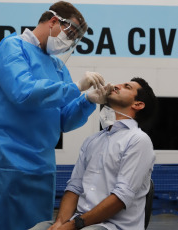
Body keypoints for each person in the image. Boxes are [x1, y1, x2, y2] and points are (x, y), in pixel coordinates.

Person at [0, 2, 112, 230]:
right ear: (53, 21)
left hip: (42, 168)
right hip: (6, 162)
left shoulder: (57, 66)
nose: (68, 42)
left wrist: (87, 100)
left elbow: (63, 120)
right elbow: (24, 92)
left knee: (37, 226)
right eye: (69, 34)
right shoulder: (12, 47)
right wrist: (78, 86)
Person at [30, 77, 158, 230]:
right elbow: (74, 188)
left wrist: (72, 225)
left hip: (114, 226)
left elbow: (121, 197)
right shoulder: (92, 141)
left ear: (138, 104)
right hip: (78, 222)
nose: (116, 85)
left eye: (127, 87)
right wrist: (60, 223)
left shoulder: (138, 140)